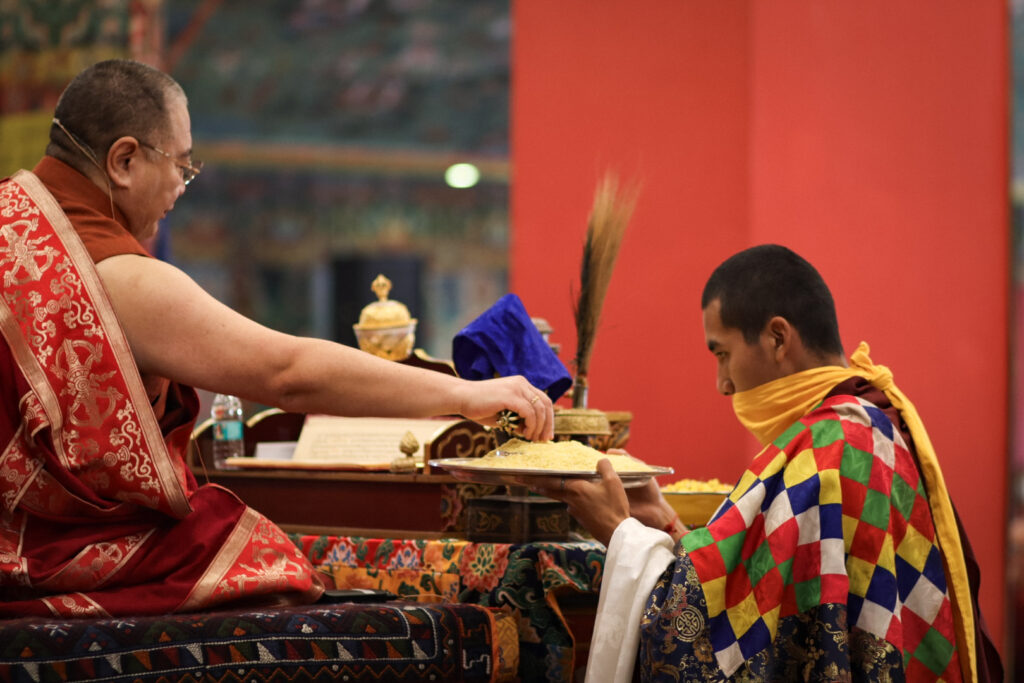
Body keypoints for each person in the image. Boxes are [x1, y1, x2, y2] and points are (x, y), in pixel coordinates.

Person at [0, 59, 554, 618]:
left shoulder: (11, 218)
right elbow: (286, 374)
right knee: (259, 558)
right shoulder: (110, 273)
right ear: (124, 160)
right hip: (39, 552)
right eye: (181, 165)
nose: (181, 187)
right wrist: (463, 395)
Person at [530, 245, 1002, 682]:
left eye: (723, 354)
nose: (723, 384)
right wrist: (665, 523)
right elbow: (766, 587)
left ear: (777, 338)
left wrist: (620, 532)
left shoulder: (827, 449)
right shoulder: (868, 424)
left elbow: (722, 641)